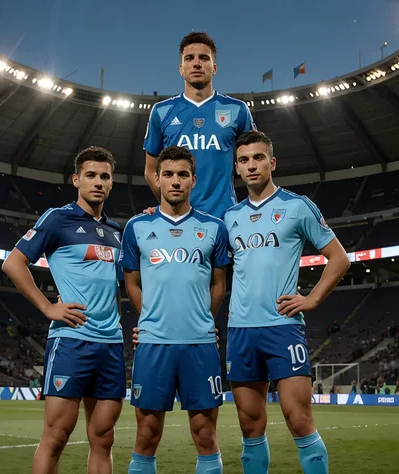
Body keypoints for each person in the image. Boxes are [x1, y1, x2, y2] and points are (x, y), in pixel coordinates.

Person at [224, 131, 351, 473]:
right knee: (250, 428)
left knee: (299, 420)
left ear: (272, 162)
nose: (252, 165)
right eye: (244, 160)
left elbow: (339, 258)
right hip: (240, 330)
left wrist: (312, 298)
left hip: (282, 327)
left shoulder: (296, 206)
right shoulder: (229, 217)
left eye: (259, 157)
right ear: (236, 167)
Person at [2, 146, 125, 474]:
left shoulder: (116, 233)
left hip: (111, 344)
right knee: (56, 435)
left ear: (111, 183)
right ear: (76, 180)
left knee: (103, 437)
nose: (98, 182)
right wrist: (46, 307)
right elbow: (13, 262)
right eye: (90, 175)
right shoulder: (58, 218)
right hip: (72, 340)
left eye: (104, 176)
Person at [121, 146, 229, 474]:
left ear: (194, 180)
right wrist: (150, 317)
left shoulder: (214, 228)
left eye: (183, 175)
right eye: (168, 174)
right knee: (146, 435)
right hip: (153, 345)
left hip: (200, 345)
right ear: (157, 179)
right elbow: (132, 284)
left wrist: (203, 319)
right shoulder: (136, 227)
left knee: (206, 435)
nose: (175, 181)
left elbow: (218, 285)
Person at [144, 31, 256, 219]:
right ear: (181, 68)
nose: (196, 63)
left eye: (204, 58)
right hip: (178, 221)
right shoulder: (161, 112)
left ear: (214, 68)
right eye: (190, 58)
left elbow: (254, 163)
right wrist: (169, 206)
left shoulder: (237, 110)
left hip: (225, 220)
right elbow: (150, 170)